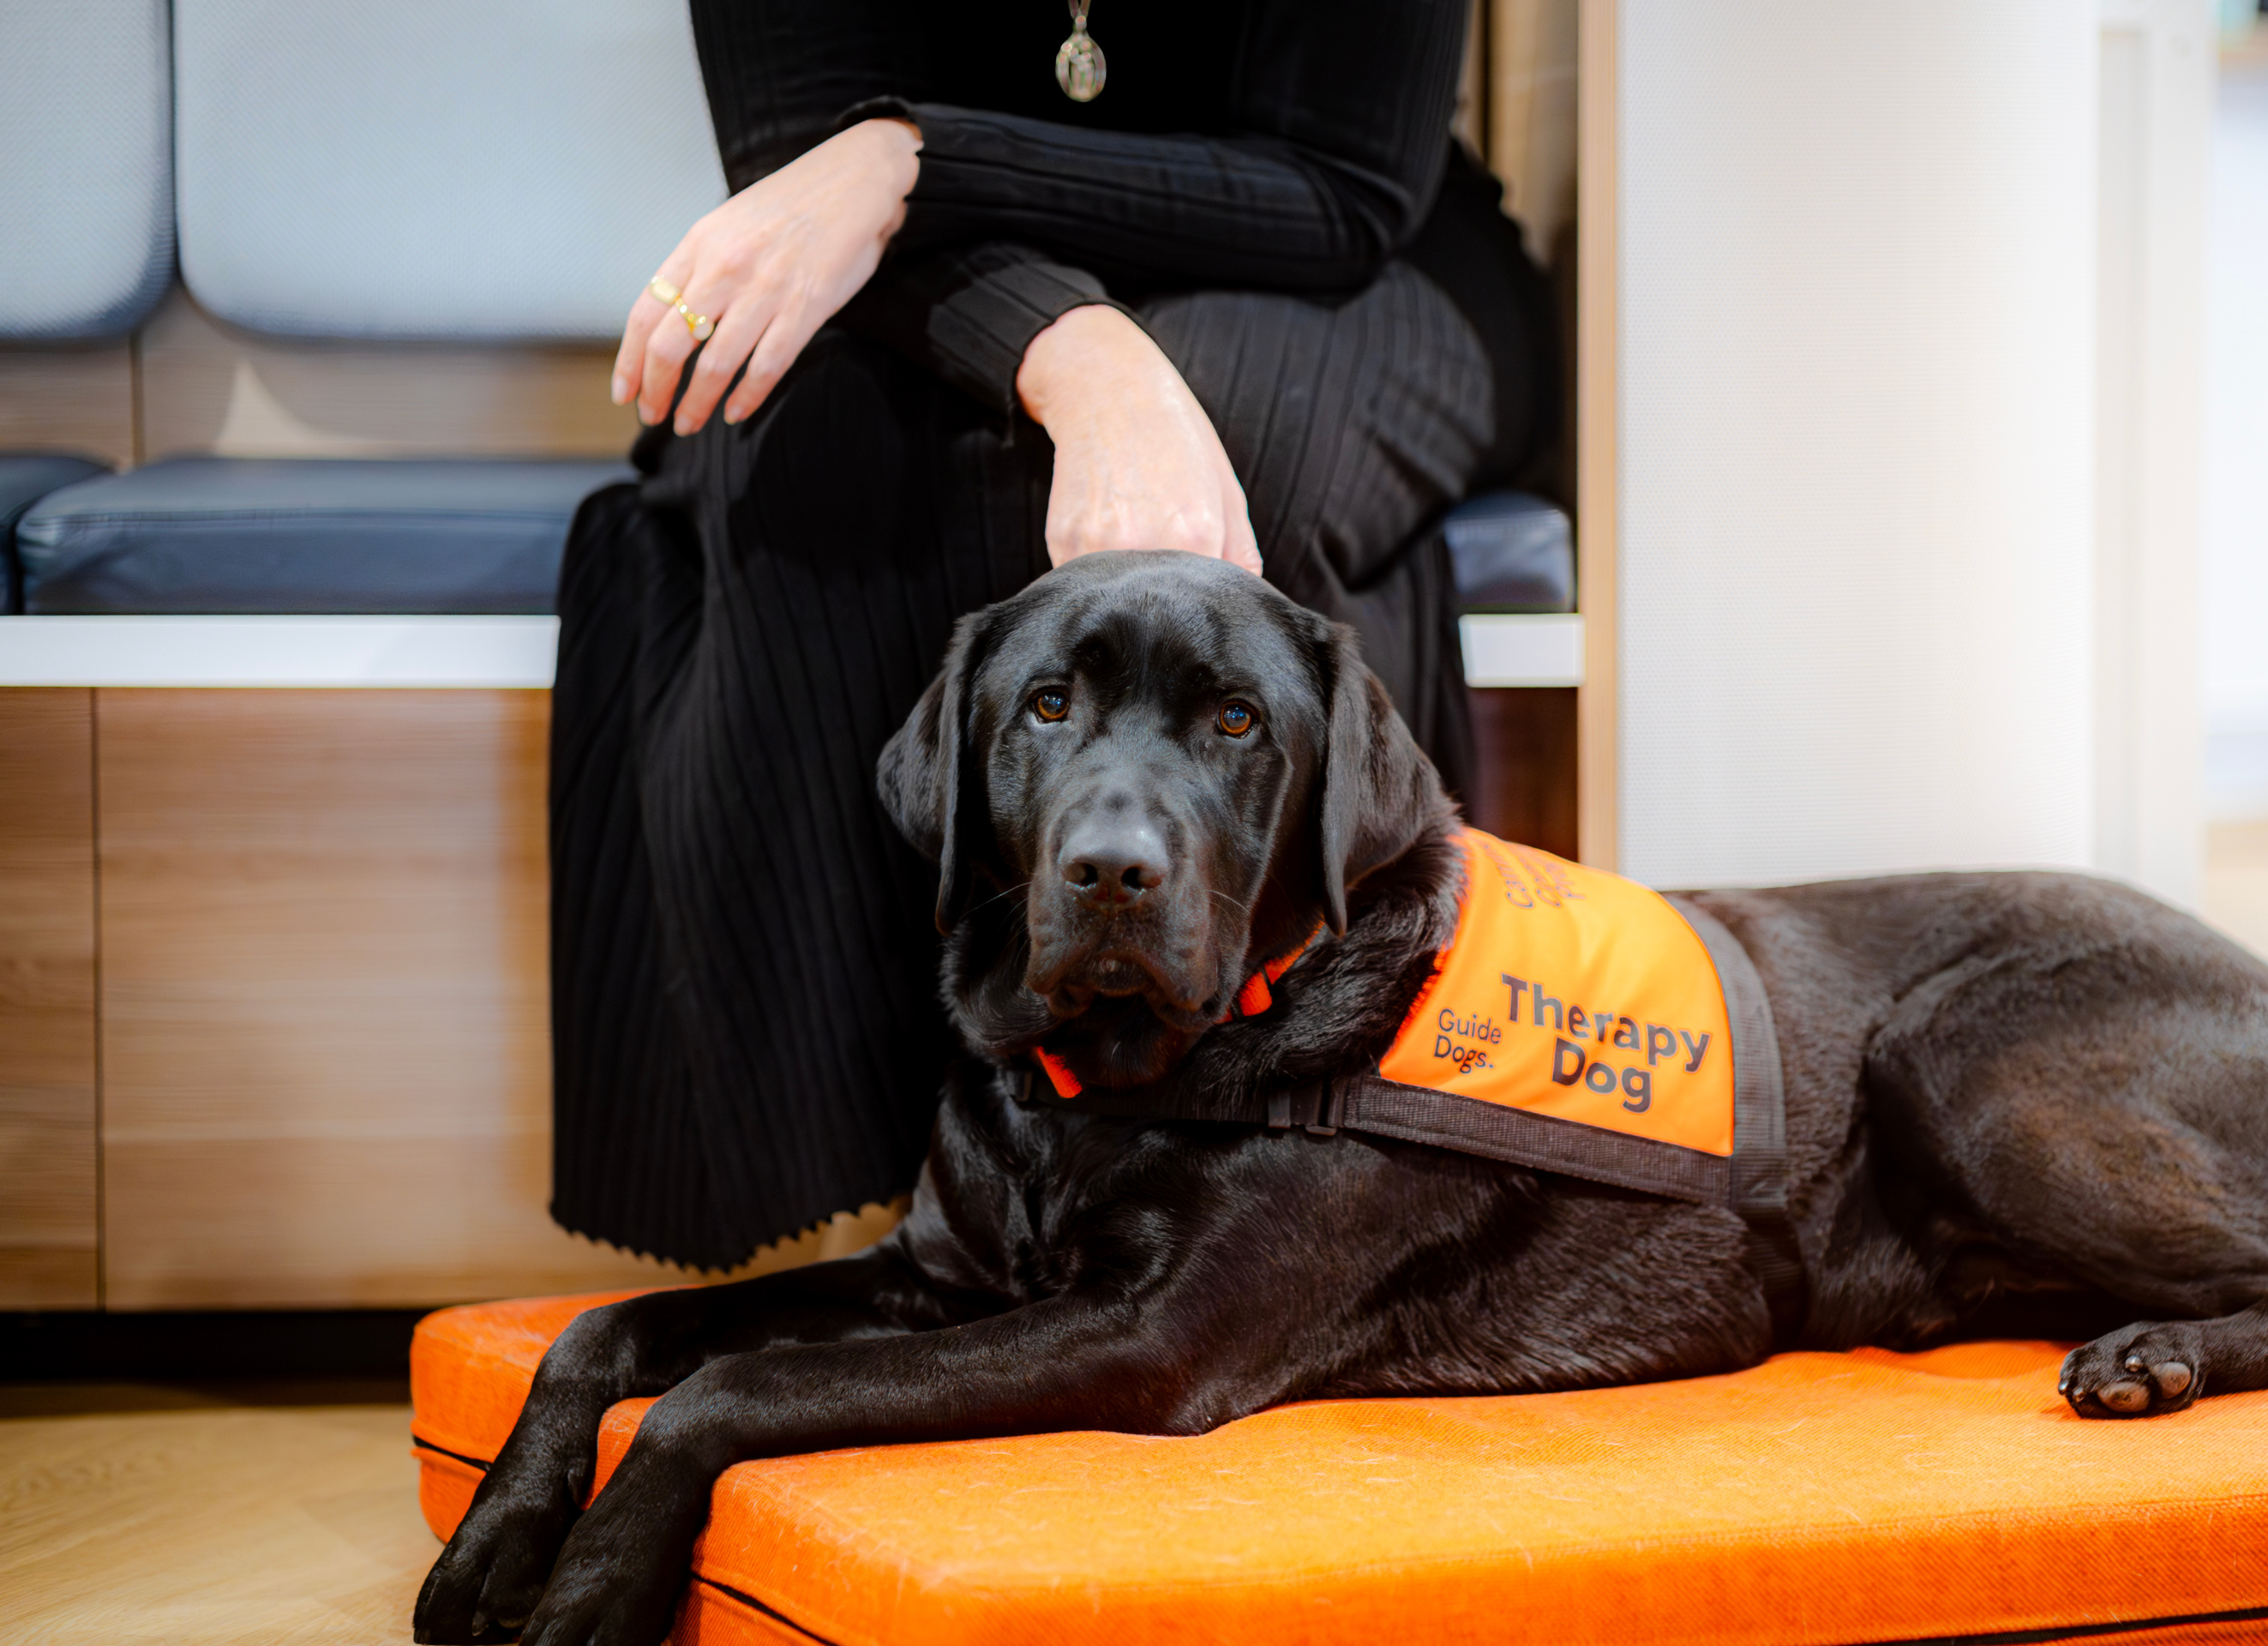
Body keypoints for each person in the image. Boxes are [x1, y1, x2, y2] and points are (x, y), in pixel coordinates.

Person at [548, 0, 1556, 1271]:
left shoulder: (932, 171)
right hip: (935, 251)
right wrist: (1074, 357)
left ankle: (1263, 1184)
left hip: (1336, 248)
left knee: (1224, 500)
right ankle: (925, 1203)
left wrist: (910, 162)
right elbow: (803, 151)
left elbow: (1341, 185)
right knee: (824, 469)